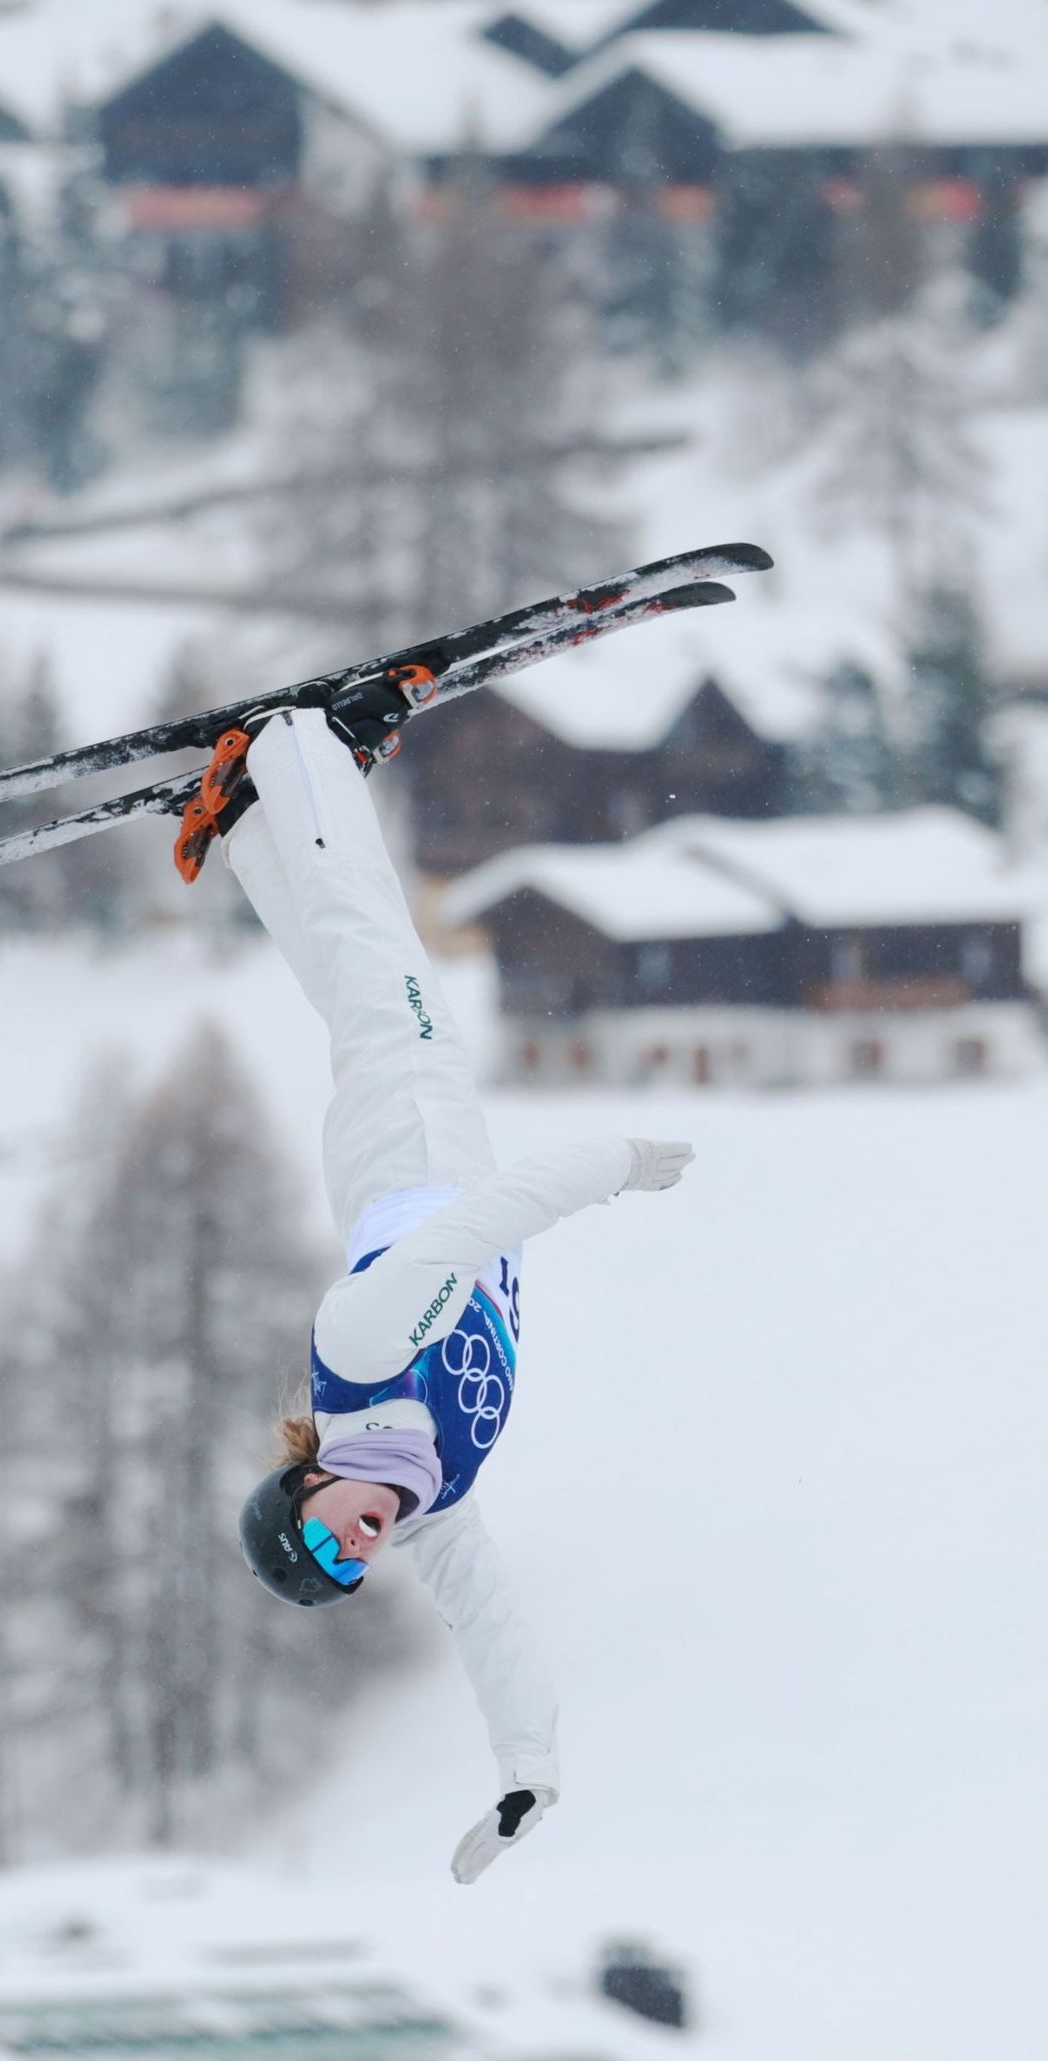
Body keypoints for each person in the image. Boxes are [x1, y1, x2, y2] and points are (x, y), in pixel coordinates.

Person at [205, 705, 693, 1884]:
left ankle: (296, 746)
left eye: (328, 1538)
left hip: (412, 1146)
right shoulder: (431, 1498)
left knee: (379, 954)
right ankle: (250, 820)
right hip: (421, 1157)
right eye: (350, 1567)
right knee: (357, 974)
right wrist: (529, 1769)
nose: (361, 1547)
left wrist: (615, 1167)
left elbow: (482, 1227)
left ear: (307, 1482)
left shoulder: (362, 1358)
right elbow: (493, 1630)